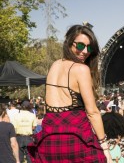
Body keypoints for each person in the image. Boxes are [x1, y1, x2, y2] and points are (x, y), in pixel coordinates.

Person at [28, 25, 110, 162]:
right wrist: (104, 145)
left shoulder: (54, 65)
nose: (85, 51)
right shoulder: (81, 69)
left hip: (48, 142)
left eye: (89, 48)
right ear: (69, 43)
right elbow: (92, 112)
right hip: (75, 141)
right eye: (80, 46)